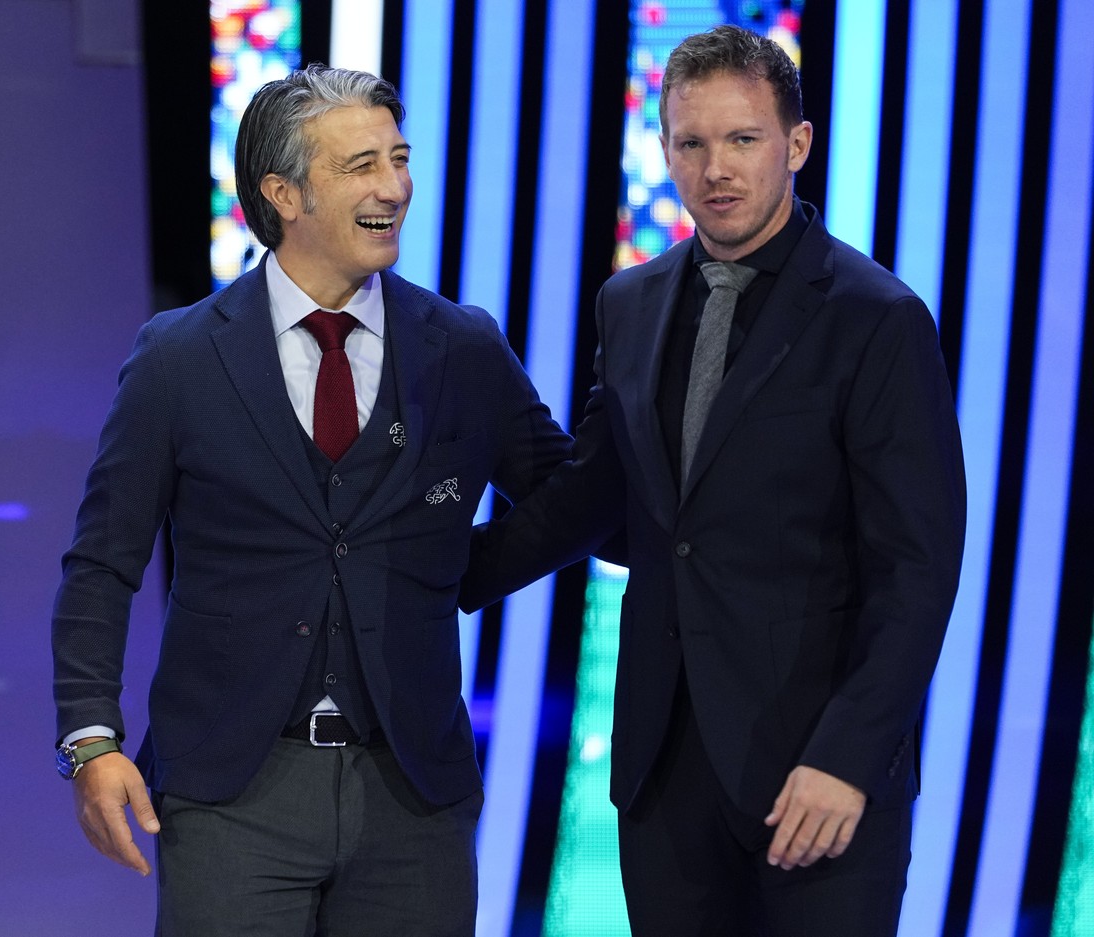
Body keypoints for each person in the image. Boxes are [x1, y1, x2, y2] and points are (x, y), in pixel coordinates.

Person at [461, 25, 967, 937]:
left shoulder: (877, 319)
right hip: (665, 769)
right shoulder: (632, 301)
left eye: (743, 139)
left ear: (797, 145)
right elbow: (597, 494)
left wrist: (848, 757)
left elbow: (918, 569)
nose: (716, 169)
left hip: (814, 771)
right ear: (665, 150)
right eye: (692, 143)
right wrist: (442, 573)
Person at [51, 64, 570, 936]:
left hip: (412, 795)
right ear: (283, 193)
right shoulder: (177, 360)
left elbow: (568, 500)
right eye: (360, 165)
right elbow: (103, 564)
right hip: (231, 793)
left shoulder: (462, 347)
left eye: (399, 159)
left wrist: (452, 571)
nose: (394, 188)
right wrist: (92, 742)